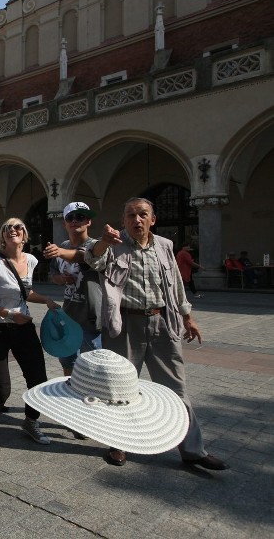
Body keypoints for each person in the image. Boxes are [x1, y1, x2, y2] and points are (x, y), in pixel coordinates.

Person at [84, 197, 228, 470]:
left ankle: (193, 450)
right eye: (130, 215)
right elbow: (93, 260)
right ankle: (119, 444)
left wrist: (188, 317)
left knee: (176, 388)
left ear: (153, 219)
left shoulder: (165, 246)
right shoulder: (112, 245)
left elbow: (175, 285)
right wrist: (103, 241)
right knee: (120, 389)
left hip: (162, 323)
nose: (136, 220)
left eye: (142, 214)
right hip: (125, 325)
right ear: (123, 220)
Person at [0, 218, 60, 458]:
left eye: (18, 226)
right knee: (1, 389)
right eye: (7, 227)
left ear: (25, 234)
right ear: (2, 237)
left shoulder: (31, 260)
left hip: (23, 328)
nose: (13, 230)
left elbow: (26, 291)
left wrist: (47, 300)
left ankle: (30, 422)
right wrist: (8, 314)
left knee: (38, 380)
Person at [44, 201, 103, 376]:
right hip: (69, 316)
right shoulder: (62, 246)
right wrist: (61, 279)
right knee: (68, 362)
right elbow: (52, 274)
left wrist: (60, 252)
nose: (75, 221)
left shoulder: (97, 246)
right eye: (70, 217)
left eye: (80, 217)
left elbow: (84, 257)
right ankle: (69, 395)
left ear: (88, 222)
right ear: (64, 222)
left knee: (92, 369)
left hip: (91, 319)